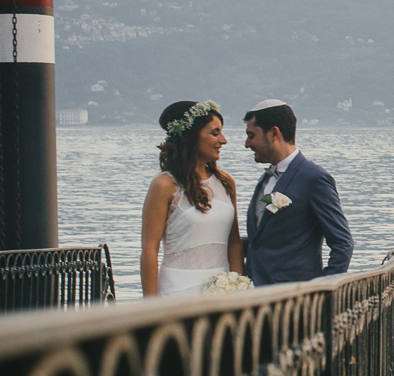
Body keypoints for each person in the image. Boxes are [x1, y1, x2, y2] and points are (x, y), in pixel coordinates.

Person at [140, 100, 244, 297]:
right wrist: (150, 307)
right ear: (191, 137)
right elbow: (149, 249)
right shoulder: (164, 185)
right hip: (177, 292)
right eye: (215, 133)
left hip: (222, 292)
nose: (223, 140)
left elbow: (234, 243)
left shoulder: (226, 182)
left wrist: (239, 289)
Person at [242, 99, 354, 283]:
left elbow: (342, 244)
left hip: (295, 299)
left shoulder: (314, 178)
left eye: (251, 135)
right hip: (257, 297)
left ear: (273, 133)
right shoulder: (266, 177)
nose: (247, 144)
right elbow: (263, 241)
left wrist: (320, 291)